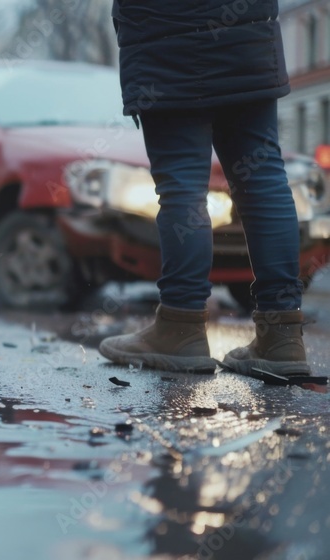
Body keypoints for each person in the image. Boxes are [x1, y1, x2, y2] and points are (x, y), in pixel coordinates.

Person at [98, 0, 312, 376]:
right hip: (248, 32)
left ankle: (181, 326)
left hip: (164, 35)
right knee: (263, 179)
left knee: (181, 185)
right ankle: (282, 336)